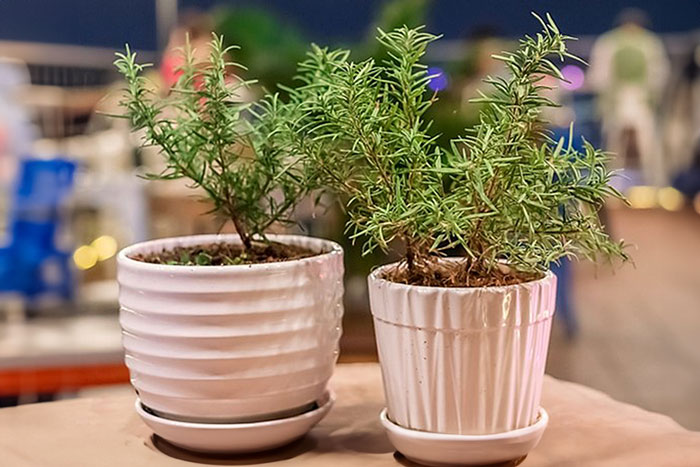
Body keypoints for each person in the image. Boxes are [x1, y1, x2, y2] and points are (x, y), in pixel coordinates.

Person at [588, 9, 670, 186]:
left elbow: (658, 74)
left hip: (639, 100)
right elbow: (600, 76)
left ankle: (655, 184)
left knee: (647, 145)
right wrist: (607, 101)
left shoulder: (649, 43)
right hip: (620, 101)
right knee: (614, 145)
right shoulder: (611, 42)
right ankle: (610, 184)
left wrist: (650, 98)